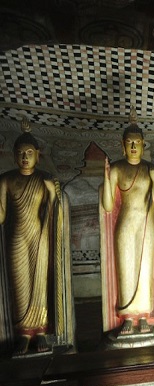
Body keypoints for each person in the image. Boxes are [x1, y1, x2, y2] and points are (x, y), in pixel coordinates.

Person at [0, 120, 65, 354]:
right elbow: (2, 215)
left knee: (41, 283)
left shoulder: (43, 178)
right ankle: (23, 334)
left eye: (29, 153)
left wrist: (51, 191)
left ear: (38, 155)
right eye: (20, 154)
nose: (25, 157)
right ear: (13, 156)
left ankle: (40, 332)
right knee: (20, 286)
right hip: (16, 238)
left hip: (39, 237)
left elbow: (56, 209)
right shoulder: (6, 180)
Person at [101, 112, 154, 336]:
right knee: (127, 270)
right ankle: (128, 316)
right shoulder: (118, 169)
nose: (133, 146)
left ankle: (144, 316)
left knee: (145, 270)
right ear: (123, 145)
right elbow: (109, 206)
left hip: (146, 226)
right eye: (129, 142)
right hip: (126, 225)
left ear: (143, 145)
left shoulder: (150, 169)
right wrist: (107, 177)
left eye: (137, 143)